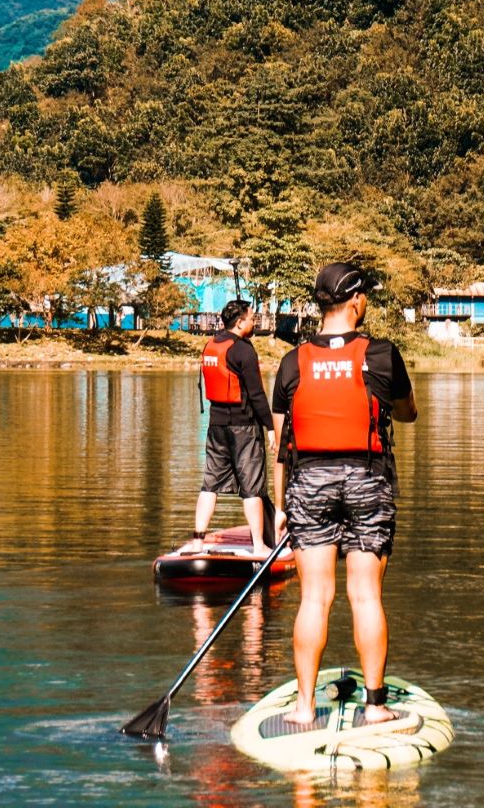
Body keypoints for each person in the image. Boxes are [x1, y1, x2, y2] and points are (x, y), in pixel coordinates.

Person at [272, 260, 417, 728]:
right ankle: (374, 707)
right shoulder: (381, 354)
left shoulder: (292, 362)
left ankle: (302, 708)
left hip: (308, 482)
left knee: (314, 597)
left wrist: (280, 506)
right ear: (356, 300)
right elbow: (408, 413)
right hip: (366, 479)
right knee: (365, 595)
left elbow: (281, 445)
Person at [193, 299, 276, 553]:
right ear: (240, 323)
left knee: (210, 483)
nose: (255, 321)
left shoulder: (211, 344)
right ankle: (259, 546)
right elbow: (257, 395)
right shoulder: (243, 350)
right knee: (252, 486)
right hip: (244, 427)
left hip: (216, 425)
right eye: (252, 318)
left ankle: (198, 540)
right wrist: (271, 427)